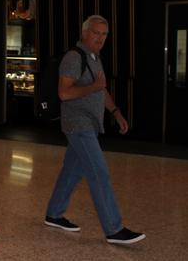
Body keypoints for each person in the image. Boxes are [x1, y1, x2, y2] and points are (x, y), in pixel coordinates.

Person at [44, 15, 145, 244]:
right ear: (85, 33)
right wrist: (94, 87)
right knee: (99, 173)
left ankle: (54, 214)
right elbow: (64, 93)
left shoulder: (94, 57)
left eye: (104, 34)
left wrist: (116, 112)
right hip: (78, 125)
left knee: (72, 171)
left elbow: (101, 90)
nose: (100, 38)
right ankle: (114, 229)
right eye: (96, 33)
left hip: (90, 123)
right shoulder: (73, 57)